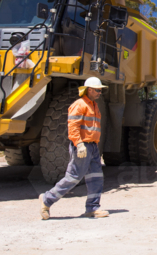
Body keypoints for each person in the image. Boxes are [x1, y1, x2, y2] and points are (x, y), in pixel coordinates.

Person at [40, 77, 110, 220]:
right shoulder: (80, 104)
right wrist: (79, 144)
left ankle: (92, 208)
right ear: (89, 90)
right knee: (73, 177)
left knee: (96, 178)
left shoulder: (94, 105)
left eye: (100, 90)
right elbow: (73, 127)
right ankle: (47, 200)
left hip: (93, 147)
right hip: (83, 146)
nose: (99, 93)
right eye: (97, 90)